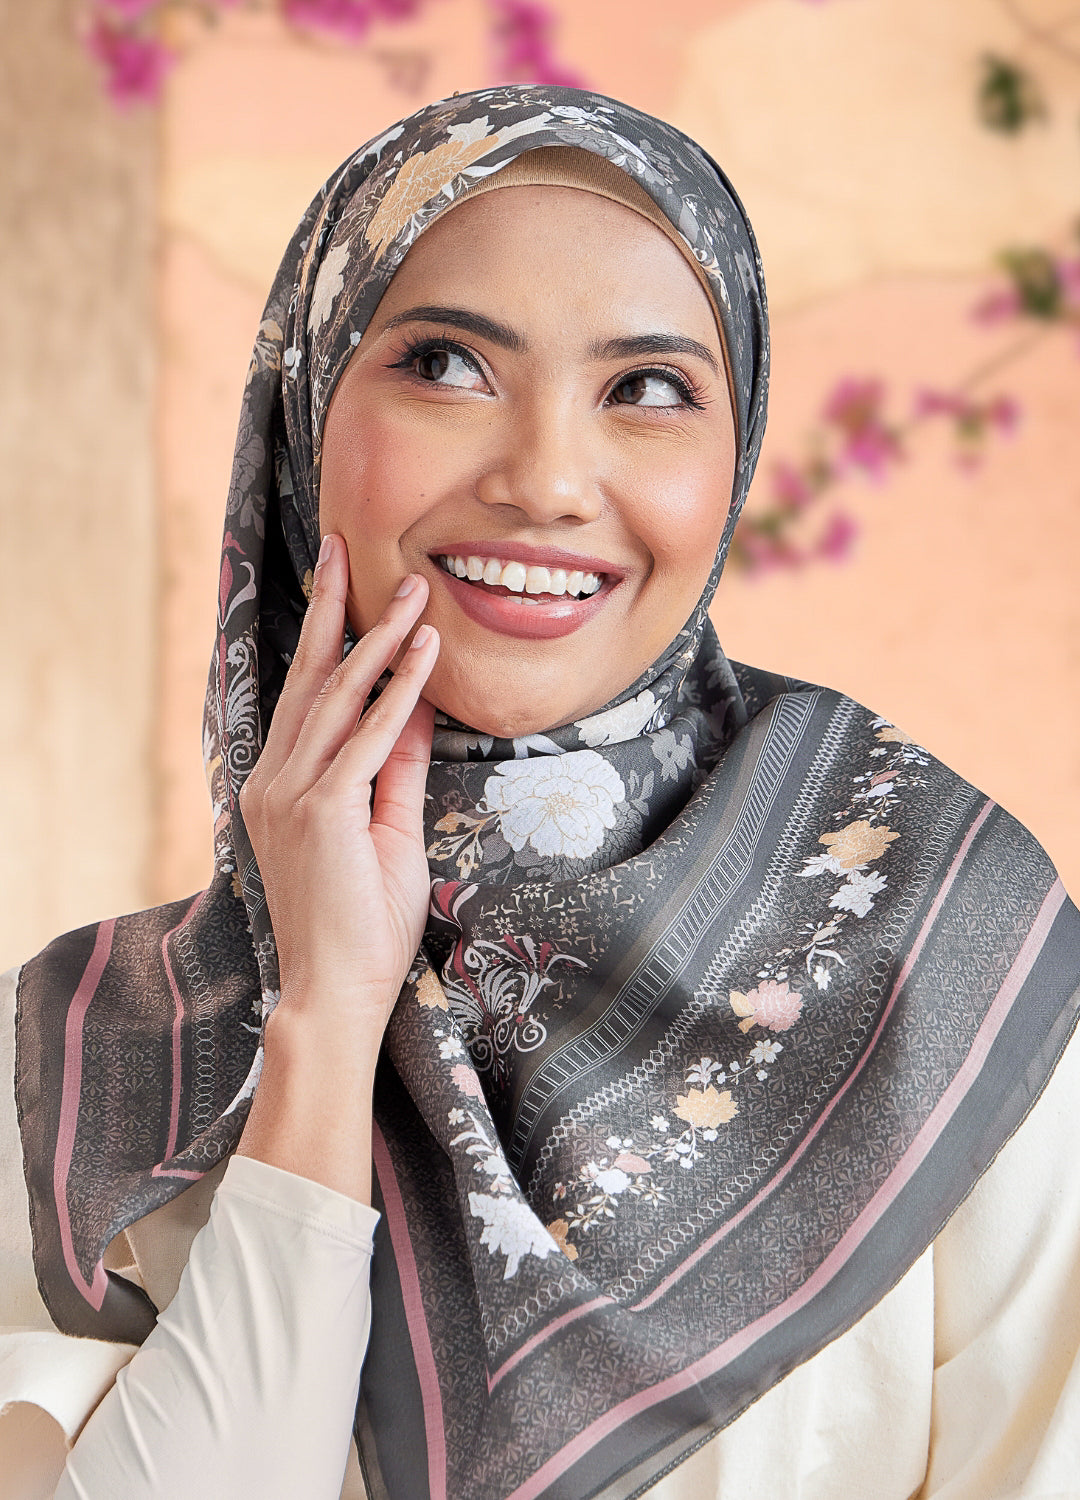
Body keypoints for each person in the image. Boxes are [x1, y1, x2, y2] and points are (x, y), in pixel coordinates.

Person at [2, 85, 1079, 1500]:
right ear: (308, 407)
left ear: (734, 448)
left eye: (647, 388)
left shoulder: (950, 955)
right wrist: (324, 1031)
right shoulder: (90, 1063)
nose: (549, 481)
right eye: (447, 363)